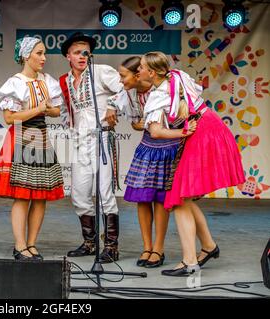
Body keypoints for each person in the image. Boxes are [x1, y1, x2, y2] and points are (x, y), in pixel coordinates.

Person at [139, 51, 245, 276]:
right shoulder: (178, 75)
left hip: (199, 134)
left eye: (140, 67)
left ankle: (190, 261)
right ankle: (208, 246)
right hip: (212, 125)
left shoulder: (157, 95)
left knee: (178, 197)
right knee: (182, 195)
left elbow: (156, 132)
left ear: (151, 72)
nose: (138, 71)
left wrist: (182, 131)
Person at [0, 37, 64, 261]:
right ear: (26, 55)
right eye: (39, 53)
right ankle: (19, 245)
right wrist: (39, 109)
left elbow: (56, 111)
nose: (43, 58)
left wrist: (49, 110)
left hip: (41, 136)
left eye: (44, 54)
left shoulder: (47, 80)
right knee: (22, 196)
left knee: (40, 195)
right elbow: (10, 118)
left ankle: (32, 243)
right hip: (22, 136)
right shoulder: (15, 83)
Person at [59, 32, 122, 263]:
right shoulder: (65, 80)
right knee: (79, 194)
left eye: (86, 52)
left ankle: (112, 246)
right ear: (68, 56)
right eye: (77, 52)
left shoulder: (100, 71)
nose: (82, 56)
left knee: (105, 193)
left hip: (102, 138)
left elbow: (123, 88)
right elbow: (67, 110)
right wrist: (69, 124)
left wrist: (113, 106)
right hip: (80, 142)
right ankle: (89, 242)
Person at [108, 56, 176, 268]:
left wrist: (147, 123)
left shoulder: (163, 89)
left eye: (123, 75)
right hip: (147, 145)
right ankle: (146, 247)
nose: (120, 80)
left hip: (167, 145)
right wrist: (111, 108)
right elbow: (131, 118)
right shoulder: (129, 94)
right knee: (142, 196)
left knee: (160, 198)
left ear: (139, 74)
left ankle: (158, 248)